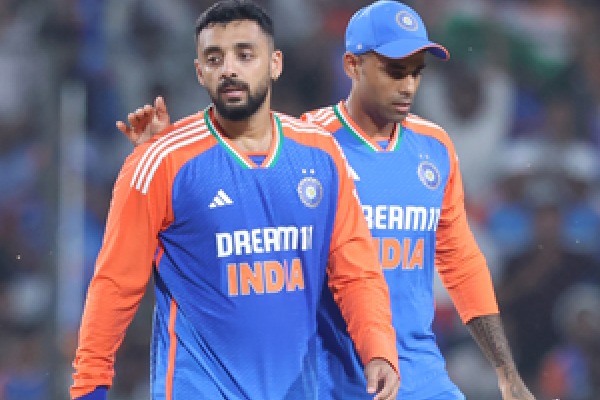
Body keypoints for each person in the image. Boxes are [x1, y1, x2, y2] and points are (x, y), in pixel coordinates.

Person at [120, 1, 536, 399]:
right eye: (394, 71)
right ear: (352, 65)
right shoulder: (309, 142)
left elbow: (461, 263)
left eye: (415, 72)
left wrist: (507, 372)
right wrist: (162, 157)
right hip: (327, 377)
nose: (407, 85)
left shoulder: (435, 146)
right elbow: (234, 211)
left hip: (420, 374)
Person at [70, 1, 400, 399]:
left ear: (275, 64)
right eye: (215, 58)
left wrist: (378, 350)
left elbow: (356, 268)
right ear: (199, 72)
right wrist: (89, 386)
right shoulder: (161, 162)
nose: (229, 68)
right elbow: (114, 285)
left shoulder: (321, 153)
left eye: (245, 55)